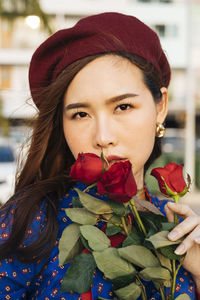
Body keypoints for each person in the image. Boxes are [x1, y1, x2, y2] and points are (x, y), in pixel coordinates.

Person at [0, 12, 200, 300]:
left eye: (123, 107)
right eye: (81, 114)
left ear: (161, 106)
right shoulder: (31, 220)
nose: (102, 136)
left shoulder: (176, 227)